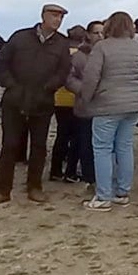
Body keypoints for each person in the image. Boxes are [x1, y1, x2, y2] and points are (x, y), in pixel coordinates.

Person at [0, 5, 70, 206]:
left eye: (60, 17)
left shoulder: (61, 43)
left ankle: (35, 187)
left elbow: (64, 71)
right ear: (43, 16)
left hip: (43, 101)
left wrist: (49, 87)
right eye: (54, 15)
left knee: (39, 146)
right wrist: (11, 85)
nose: (57, 20)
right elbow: (1, 64)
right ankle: (3, 190)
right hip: (15, 100)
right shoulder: (20, 37)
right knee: (10, 146)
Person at [79, 11, 138, 210]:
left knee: (102, 148)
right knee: (125, 147)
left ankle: (103, 195)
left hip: (106, 105)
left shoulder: (102, 47)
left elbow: (91, 77)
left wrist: (87, 97)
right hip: (132, 105)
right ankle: (122, 192)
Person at [49, 24, 91, 184]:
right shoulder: (80, 55)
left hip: (59, 99)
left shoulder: (62, 52)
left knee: (61, 136)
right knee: (76, 138)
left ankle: (55, 170)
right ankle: (71, 171)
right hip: (75, 99)